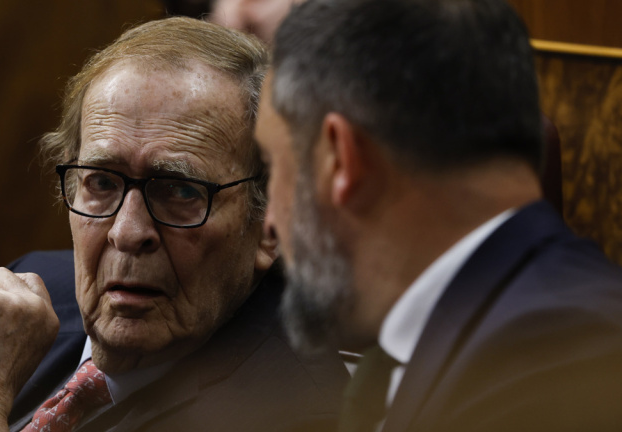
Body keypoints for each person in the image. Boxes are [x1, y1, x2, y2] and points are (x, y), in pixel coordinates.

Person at [0, 16, 348, 432]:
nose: (126, 233)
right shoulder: (23, 303)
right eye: (102, 182)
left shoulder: (297, 413)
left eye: (180, 191)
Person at [254, 0, 622, 431]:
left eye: (272, 167)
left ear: (340, 160)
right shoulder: (446, 335)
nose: (270, 222)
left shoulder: (553, 363)